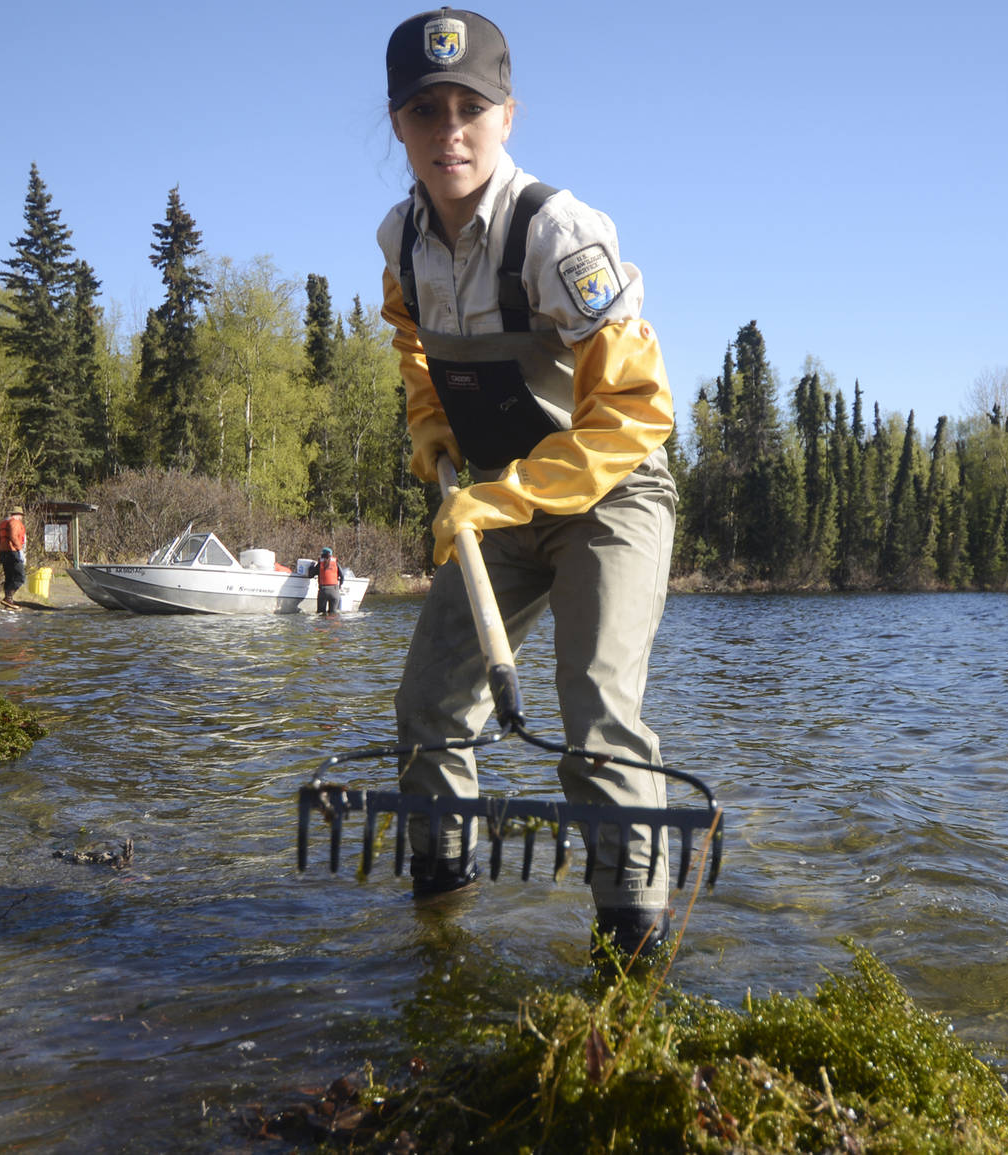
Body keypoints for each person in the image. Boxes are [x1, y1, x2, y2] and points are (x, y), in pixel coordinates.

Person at [378, 8, 680, 960]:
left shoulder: (560, 232)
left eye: (470, 106)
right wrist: (430, 424)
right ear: (399, 125)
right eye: (427, 110)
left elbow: (635, 412)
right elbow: (414, 344)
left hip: (615, 494)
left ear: (508, 114)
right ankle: (447, 919)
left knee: (595, 712)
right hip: (500, 498)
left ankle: (631, 958)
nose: (449, 130)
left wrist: (498, 496)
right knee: (428, 705)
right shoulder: (402, 240)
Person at [0, 506, 26, 610]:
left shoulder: (3, 523)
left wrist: (0, 549)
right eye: (21, 515)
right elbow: (13, 536)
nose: (21, 518)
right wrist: (19, 550)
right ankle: (8, 598)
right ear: (19, 515)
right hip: (13, 552)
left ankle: (8, 600)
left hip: (3, 552)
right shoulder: (15, 523)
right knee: (20, 577)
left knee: (9, 577)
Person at [309, 546, 345, 613]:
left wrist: (311, 566)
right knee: (333, 614)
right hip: (335, 591)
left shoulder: (320, 564)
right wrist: (340, 586)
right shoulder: (336, 564)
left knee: (321, 614)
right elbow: (342, 576)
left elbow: (310, 575)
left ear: (322, 554)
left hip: (323, 591)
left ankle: (323, 623)